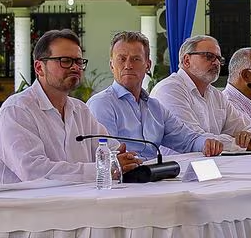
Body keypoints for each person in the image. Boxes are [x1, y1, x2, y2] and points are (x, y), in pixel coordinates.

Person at [0, 29, 140, 184]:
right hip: (18, 204)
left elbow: (110, 150)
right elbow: (34, 172)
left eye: (79, 61)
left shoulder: (80, 110)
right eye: (65, 61)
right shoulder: (17, 110)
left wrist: (122, 159)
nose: (75, 67)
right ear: (39, 68)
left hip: (72, 201)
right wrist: (102, 169)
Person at [88, 31, 223, 159]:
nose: (128, 65)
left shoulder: (155, 108)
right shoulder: (102, 104)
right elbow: (107, 156)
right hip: (122, 181)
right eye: (122, 59)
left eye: (136, 59)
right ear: (111, 65)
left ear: (148, 65)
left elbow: (187, 139)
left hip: (155, 178)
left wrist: (207, 143)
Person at [151, 35, 251, 151]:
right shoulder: (169, 90)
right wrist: (245, 144)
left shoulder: (217, 95)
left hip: (213, 165)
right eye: (209, 57)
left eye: (219, 59)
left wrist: (250, 137)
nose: (216, 63)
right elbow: (196, 139)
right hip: (180, 166)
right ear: (187, 60)